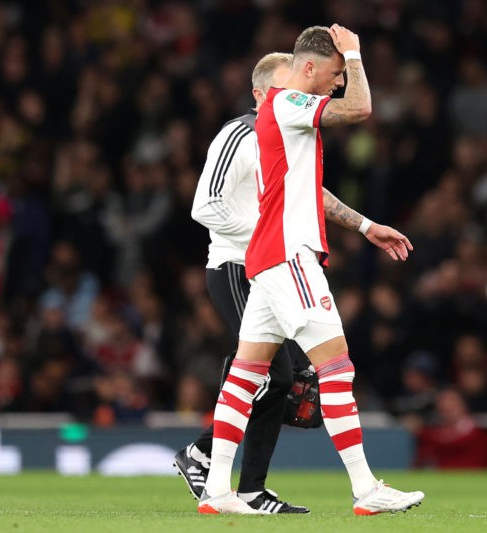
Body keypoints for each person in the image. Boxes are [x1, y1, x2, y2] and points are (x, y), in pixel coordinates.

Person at [198, 25, 424, 515]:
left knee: (246, 374)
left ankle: (217, 489)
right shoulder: (286, 103)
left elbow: (306, 192)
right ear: (309, 68)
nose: (341, 81)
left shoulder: (283, 121)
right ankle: (366, 488)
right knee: (336, 366)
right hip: (288, 254)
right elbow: (361, 109)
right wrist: (356, 54)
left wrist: (365, 226)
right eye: (336, 73)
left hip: (267, 257)